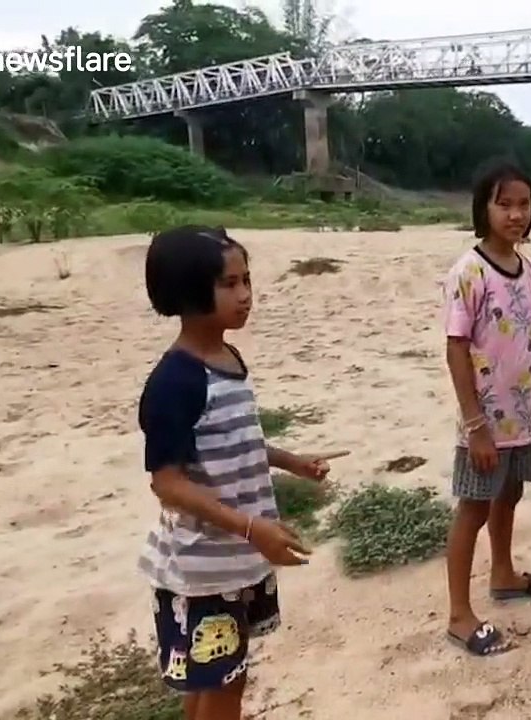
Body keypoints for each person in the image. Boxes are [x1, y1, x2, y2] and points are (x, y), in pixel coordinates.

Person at [137, 226, 342, 720]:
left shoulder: (228, 359)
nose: (246, 295)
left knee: (214, 679)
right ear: (189, 291)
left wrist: (292, 462)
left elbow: (235, 439)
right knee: (227, 685)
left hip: (235, 560)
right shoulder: (175, 381)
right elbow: (166, 482)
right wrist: (252, 528)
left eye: (247, 279)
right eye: (229, 284)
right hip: (202, 570)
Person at [443, 160, 531, 657]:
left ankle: (504, 574)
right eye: (503, 203)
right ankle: (458, 614)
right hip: (485, 423)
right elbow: (455, 349)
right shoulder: (469, 271)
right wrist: (475, 426)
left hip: (523, 416)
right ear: (483, 208)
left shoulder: (529, 271)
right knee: (472, 509)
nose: (515, 214)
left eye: (523, 204)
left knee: (509, 494)